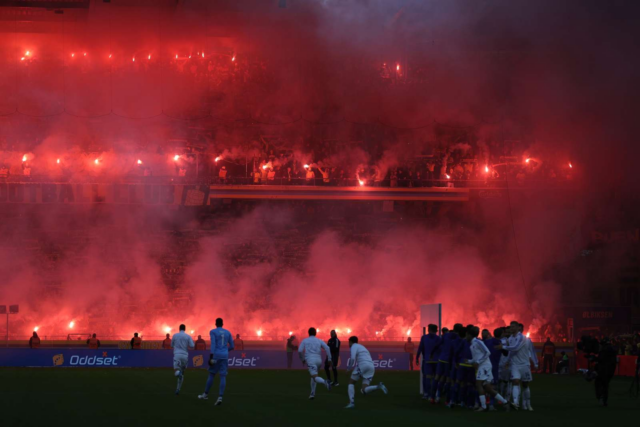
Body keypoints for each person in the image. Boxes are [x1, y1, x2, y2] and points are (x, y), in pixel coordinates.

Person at [467, 326, 508, 411]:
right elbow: (477, 357)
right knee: (488, 388)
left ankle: (483, 406)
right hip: (484, 366)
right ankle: (505, 402)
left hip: (484, 366)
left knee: (478, 384)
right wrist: (469, 361)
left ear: (469, 335)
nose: (466, 336)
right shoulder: (472, 345)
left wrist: (478, 362)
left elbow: (487, 352)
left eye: (467, 334)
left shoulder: (478, 342)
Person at [344, 336, 388, 409]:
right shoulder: (362, 347)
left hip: (363, 365)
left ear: (351, 342)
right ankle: (378, 386)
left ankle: (351, 403)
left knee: (351, 383)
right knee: (364, 390)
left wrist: (348, 369)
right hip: (371, 366)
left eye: (349, 342)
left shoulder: (354, 346)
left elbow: (352, 358)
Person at [199, 318, 234, 405]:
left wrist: (211, 356)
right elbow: (232, 346)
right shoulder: (228, 332)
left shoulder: (213, 331)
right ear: (223, 324)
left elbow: (213, 344)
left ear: (215, 324)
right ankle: (220, 397)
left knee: (211, 374)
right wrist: (225, 351)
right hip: (224, 356)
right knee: (223, 376)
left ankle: (205, 394)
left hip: (216, 356)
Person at [498, 321, 532, 411]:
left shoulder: (522, 337)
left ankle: (528, 404)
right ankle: (516, 403)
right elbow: (511, 352)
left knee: (525, 385)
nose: (511, 328)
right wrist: (508, 361)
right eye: (511, 327)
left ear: (518, 328)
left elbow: (516, 348)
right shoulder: (510, 339)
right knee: (515, 382)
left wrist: (503, 347)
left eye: (513, 327)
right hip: (515, 365)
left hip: (524, 364)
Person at [298, 327, 332, 399]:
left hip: (311, 360)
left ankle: (325, 382)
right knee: (313, 376)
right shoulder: (319, 340)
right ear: (315, 333)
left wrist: (302, 359)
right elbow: (327, 348)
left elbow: (300, 350)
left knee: (314, 376)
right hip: (319, 360)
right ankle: (312, 394)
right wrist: (329, 359)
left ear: (308, 333)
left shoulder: (305, 340)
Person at [433, 324, 462, 403]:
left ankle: (434, 397)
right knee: (449, 379)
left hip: (441, 359)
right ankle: (448, 400)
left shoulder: (445, 335)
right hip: (449, 361)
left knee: (438, 377)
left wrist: (432, 353)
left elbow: (438, 345)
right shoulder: (459, 339)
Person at [416, 324, 441, 401]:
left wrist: (417, 357)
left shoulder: (424, 337)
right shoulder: (438, 338)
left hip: (427, 360)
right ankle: (433, 395)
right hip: (436, 360)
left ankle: (427, 393)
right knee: (435, 378)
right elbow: (440, 349)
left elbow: (420, 348)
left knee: (427, 377)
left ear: (429, 329)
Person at [172, 324, 195, 395]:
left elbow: (171, 345)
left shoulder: (175, 335)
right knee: (182, 372)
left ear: (179, 329)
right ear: (185, 329)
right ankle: (178, 389)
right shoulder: (188, 336)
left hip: (177, 355)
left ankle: (179, 374)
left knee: (176, 371)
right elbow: (192, 346)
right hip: (185, 356)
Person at [595, 338, 617, 406]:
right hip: (610, 370)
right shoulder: (611, 348)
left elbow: (601, 359)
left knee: (600, 384)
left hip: (604, 370)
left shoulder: (605, 349)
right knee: (605, 385)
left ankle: (602, 399)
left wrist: (594, 358)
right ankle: (604, 400)